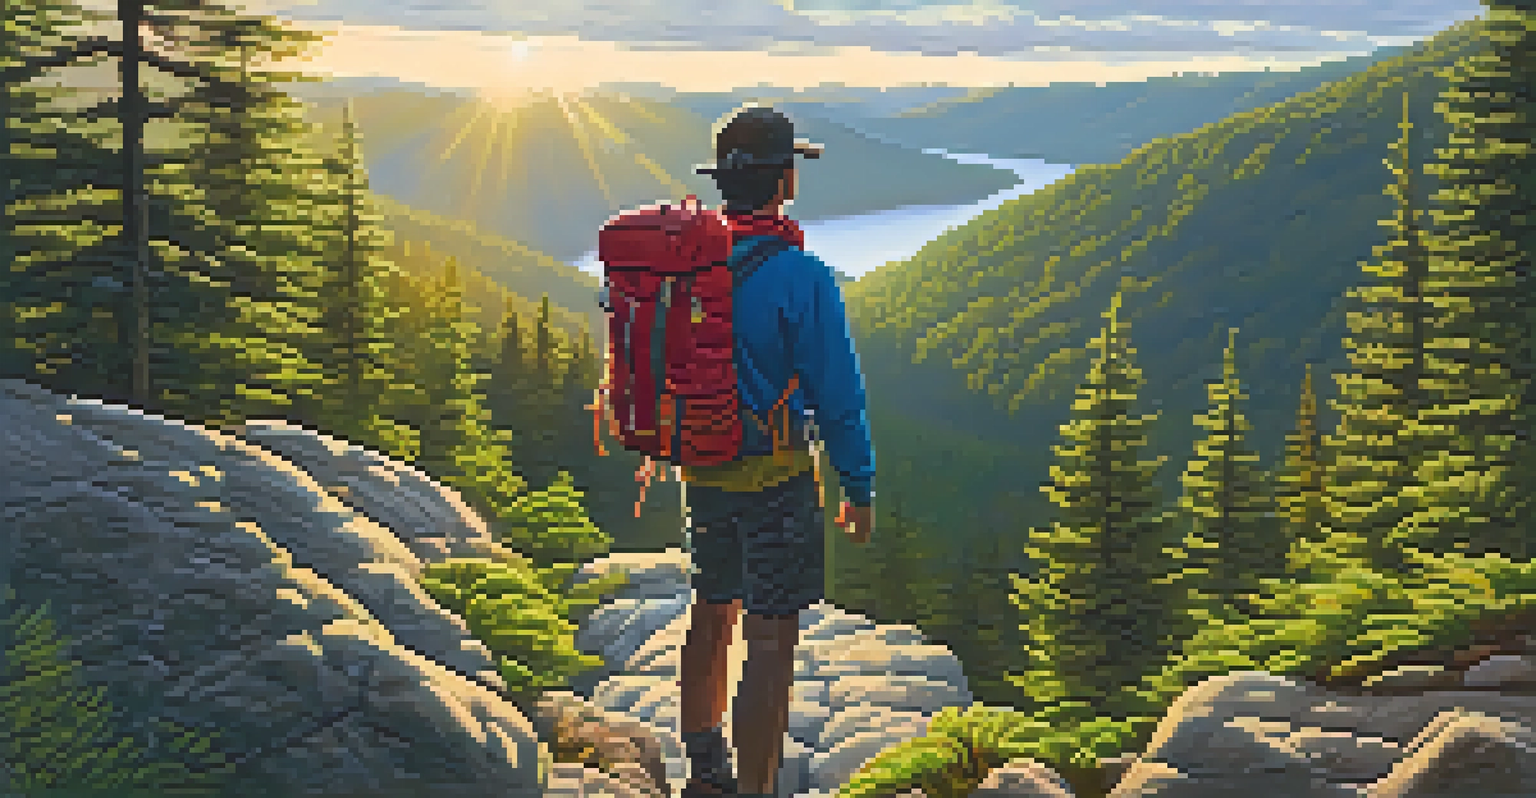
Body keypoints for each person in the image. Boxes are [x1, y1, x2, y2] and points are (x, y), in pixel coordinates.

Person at [677, 103, 876, 798]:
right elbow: (839, 395)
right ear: (784, 181)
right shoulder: (803, 276)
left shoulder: (685, 265)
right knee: (769, 641)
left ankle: (705, 771)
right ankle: (755, 789)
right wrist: (858, 485)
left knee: (711, 609)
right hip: (778, 480)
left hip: (700, 465)